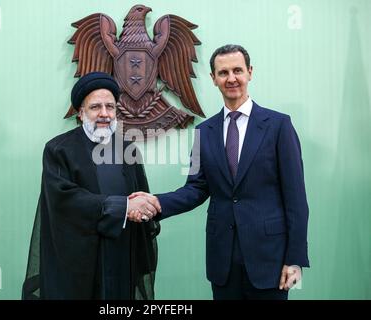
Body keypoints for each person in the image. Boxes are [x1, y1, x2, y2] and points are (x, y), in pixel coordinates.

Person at [130, 45, 309, 300]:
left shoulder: (279, 126)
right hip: (223, 261)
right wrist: (156, 202)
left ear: (250, 72)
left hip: (269, 259)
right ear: (213, 78)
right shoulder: (204, 132)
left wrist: (295, 258)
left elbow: (296, 200)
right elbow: (195, 188)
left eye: (237, 70)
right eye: (223, 72)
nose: (231, 78)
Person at [22, 72, 161, 300]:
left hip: (121, 256)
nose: (104, 114)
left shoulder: (128, 150)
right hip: (78, 262)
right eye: (96, 107)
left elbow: (139, 196)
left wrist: (141, 210)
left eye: (110, 107)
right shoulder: (59, 149)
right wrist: (123, 206)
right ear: (81, 112)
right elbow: (64, 201)